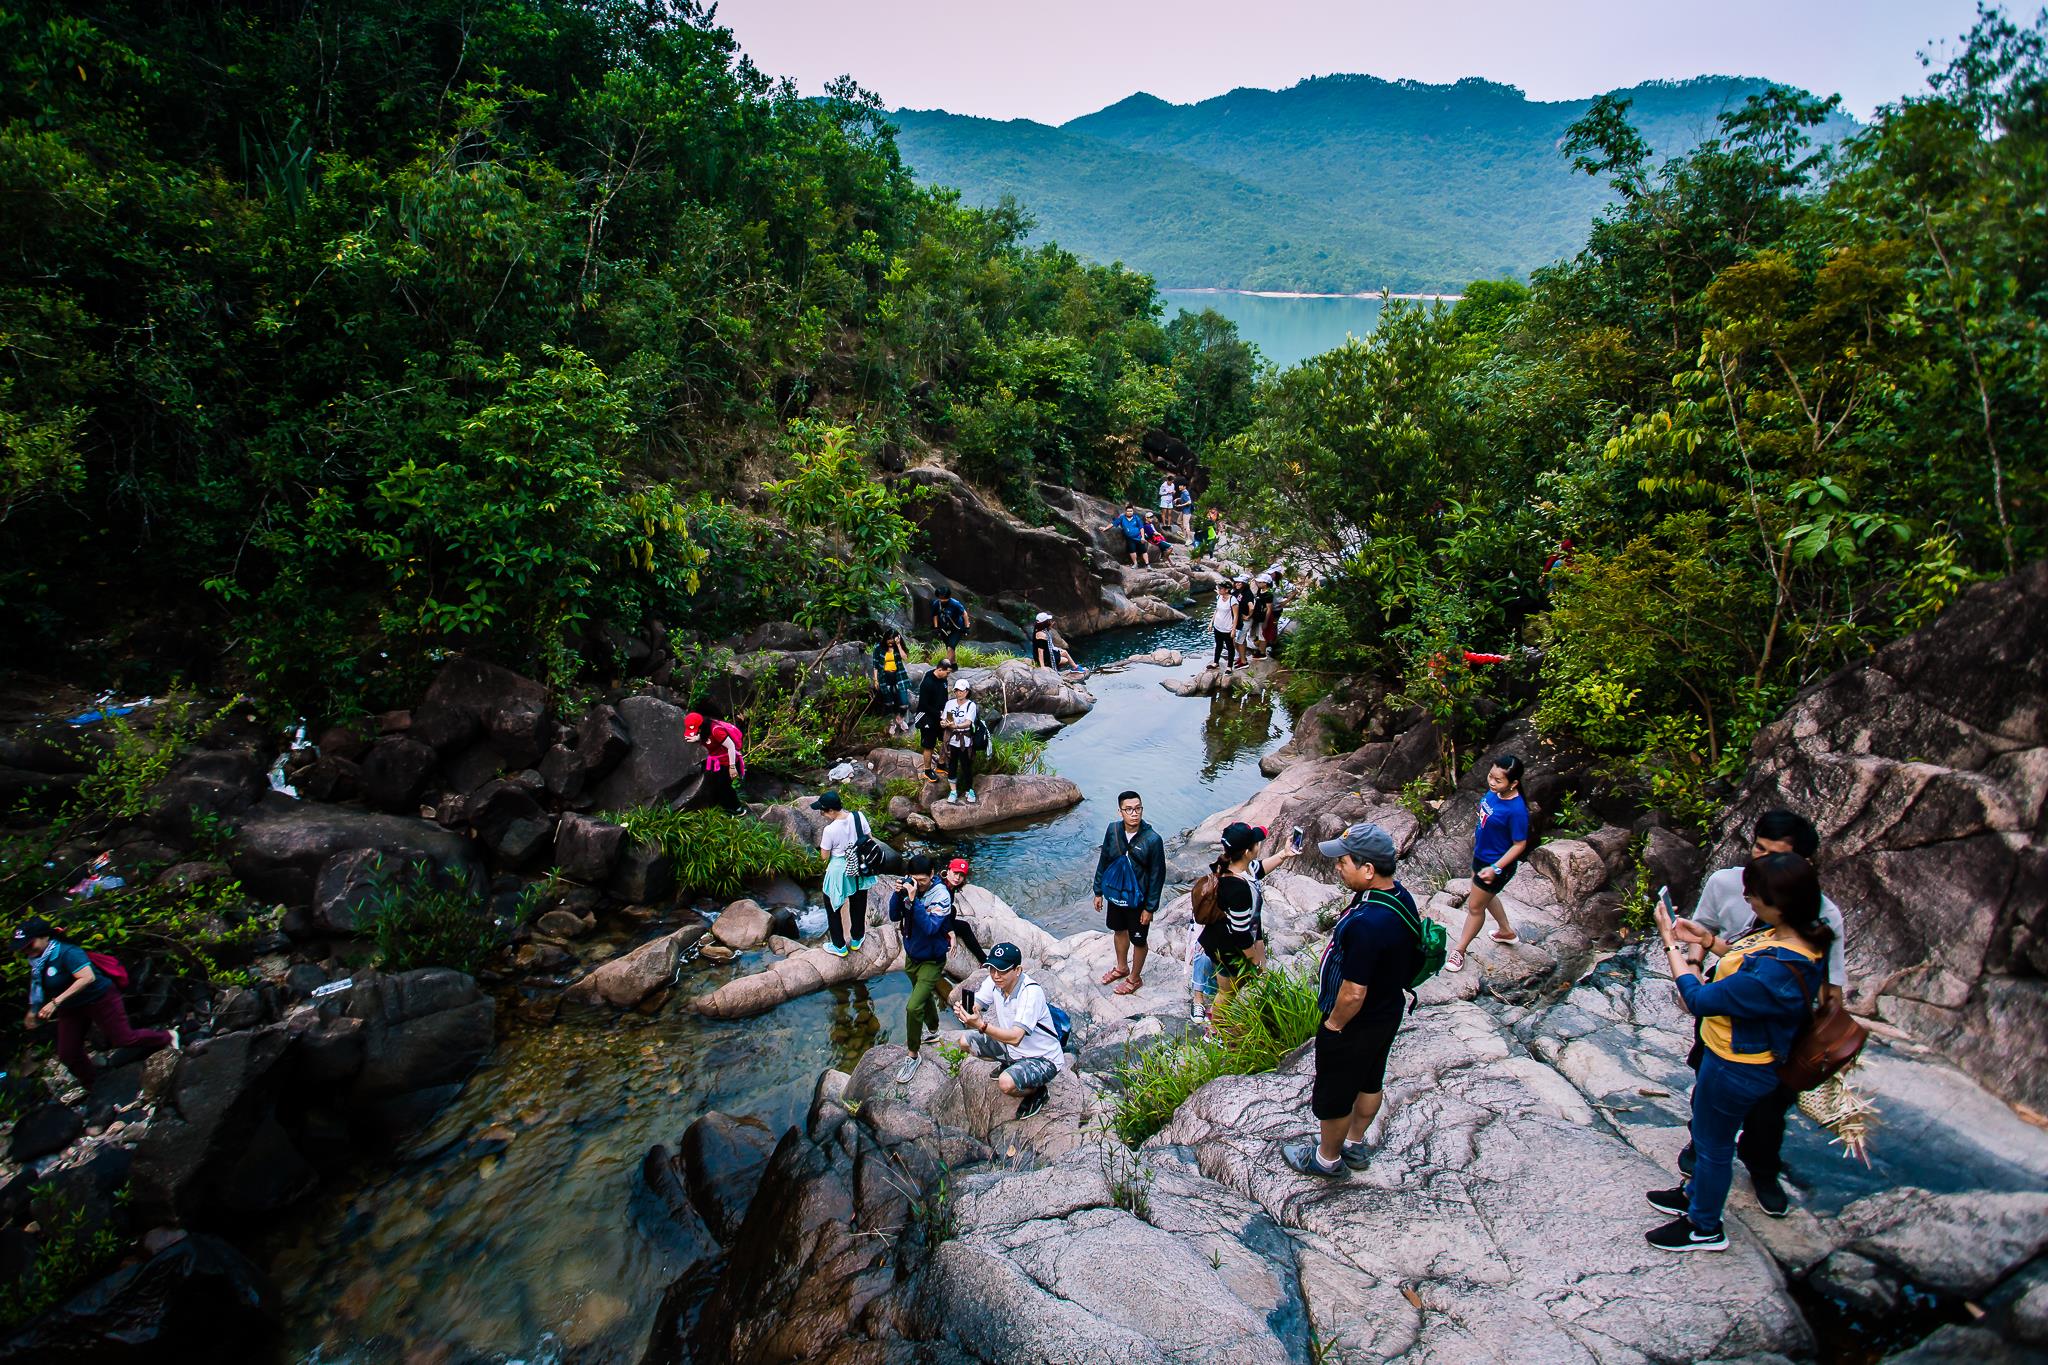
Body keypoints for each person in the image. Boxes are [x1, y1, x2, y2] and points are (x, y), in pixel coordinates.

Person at [1647, 853, 1831, 1251]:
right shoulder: (1783, 933)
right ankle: (1695, 1194)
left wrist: (1670, 944)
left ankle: (1704, 1226)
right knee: (1708, 1134)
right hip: (1723, 1052)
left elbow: (1698, 997)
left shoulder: (1777, 973)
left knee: (1713, 1146)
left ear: (1781, 903)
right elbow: (1738, 959)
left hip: (1738, 1066)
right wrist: (1706, 940)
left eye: (1755, 893)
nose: (1746, 897)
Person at [1672, 809, 1849, 1209]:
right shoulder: (1727, 883)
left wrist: (1822, 1040)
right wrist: (1698, 961)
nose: (1760, 862)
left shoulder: (1822, 915)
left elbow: (1828, 986)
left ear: (1801, 864)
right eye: (1758, 849)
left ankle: (1761, 1167)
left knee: (1768, 1112)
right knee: (1708, 1082)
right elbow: (1711, 933)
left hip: (1777, 1025)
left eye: (1774, 855)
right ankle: (1704, 1144)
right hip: (1729, 1001)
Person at [1284, 823, 1420, 1178]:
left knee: (1336, 1091)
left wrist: (1334, 1025)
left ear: (1368, 870)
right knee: (1370, 1080)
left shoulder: (1368, 923)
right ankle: (1355, 1145)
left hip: (1355, 1022)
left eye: (1343, 862)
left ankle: (1326, 1159)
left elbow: (1354, 991)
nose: (1337, 867)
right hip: (1386, 1010)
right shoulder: (1398, 897)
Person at [15, 917, 172, 1086]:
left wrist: (55, 1002)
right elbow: (37, 984)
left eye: (29, 945)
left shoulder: (67, 952)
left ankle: (167, 1037)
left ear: (45, 937)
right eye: (22, 949)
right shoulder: (38, 962)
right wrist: (33, 1010)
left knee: (124, 1039)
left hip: (100, 997)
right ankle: (93, 1083)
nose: (27, 951)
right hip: (72, 1007)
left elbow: (87, 978)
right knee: (68, 1053)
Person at [1199, 822, 1301, 1016]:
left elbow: (1259, 869)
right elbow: (1239, 933)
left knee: (1232, 987)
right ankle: (1212, 1032)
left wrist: (1284, 854)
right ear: (1247, 851)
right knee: (1226, 992)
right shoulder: (1236, 889)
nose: (1259, 844)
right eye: (1256, 842)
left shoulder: (1233, 866)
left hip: (1224, 940)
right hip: (1227, 949)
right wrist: (1255, 960)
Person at [952, 940, 1064, 1119]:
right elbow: (978, 1003)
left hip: (1042, 1057)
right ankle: (1012, 1063)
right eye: (992, 969)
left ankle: (1037, 1091)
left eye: (1003, 970)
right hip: (1012, 1049)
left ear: (1017, 970)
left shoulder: (1030, 993)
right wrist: (967, 1011)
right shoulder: (995, 982)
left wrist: (981, 1025)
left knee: (1006, 1084)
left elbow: (1015, 1037)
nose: (996, 975)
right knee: (965, 1042)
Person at [1446, 754, 1531, 971]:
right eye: (1491, 776)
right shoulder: (1495, 793)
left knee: (1475, 907)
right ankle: (1506, 932)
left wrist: (1496, 868)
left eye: (1498, 780)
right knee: (1484, 896)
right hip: (1481, 856)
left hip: (1496, 864)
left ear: (1514, 783)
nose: (1492, 782)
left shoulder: (1517, 810)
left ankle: (1459, 950)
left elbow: (1519, 845)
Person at [887, 853, 957, 1083]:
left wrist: (914, 899)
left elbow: (929, 927)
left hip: (932, 958)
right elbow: (894, 915)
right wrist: (899, 895)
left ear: (933, 875)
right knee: (923, 994)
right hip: (912, 955)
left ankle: (912, 1054)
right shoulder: (910, 887)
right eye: (913, 879)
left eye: (923, 880)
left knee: (913, 1006)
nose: (918, 883)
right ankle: (934, 1029)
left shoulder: (941, 895)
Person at [1093, 790, 1166, 996]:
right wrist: (1098, 891)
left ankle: (1134, 978)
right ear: (1120, 811)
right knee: (1118, 930)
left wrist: (1150, 907)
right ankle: (1121, 967)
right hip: (1117, 894)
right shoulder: (1113, 830)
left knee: (1139, 940)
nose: (1134, 813)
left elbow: (1157, 876)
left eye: (1138, 808)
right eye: (1129, 809)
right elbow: (1104, 860)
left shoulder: (1153, 840)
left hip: (1139, 899)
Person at [814, 791, 876, 957]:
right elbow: (869, 838)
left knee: (832, 905)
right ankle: (857, 939)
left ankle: (839, 946)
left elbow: (824, 856)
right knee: (859, 901)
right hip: (860, 864)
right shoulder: (859, 816)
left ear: (831, 811)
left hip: (839, 869)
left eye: (823, 811)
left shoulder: (830, 830)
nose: (822, 814)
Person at [683, 711, 746, 812]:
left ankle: (737, 809)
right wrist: (696, 738)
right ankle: (724, 805)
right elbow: (707, 736)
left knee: (724, 786)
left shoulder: (716, 730)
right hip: (718, 761)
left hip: (728, 762)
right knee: (717, 784)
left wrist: (732, 767)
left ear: (700, 725)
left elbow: (731, 747)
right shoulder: (705, 729)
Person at [939, 856, 990, 969]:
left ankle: (984, 960)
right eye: (955, 873)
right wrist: (950, 933)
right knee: (960, 922)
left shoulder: (948, 886)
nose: (957, 878)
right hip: (931, 925)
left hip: (938, 921)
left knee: (956, 916)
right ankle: (984, 960)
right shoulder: (941, 888)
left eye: (961, 875)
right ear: (948, 871)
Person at [940, 677, 979, 805]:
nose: (959, 693)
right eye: (957, 690)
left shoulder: (970, 705)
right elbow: (945, 719)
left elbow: (968, 722)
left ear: (967, 691)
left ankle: (969, 790)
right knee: (952, 764)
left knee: (966, 765)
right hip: (951, 739)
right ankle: (953, 791)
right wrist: (944, 723)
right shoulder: (950, 704)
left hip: (965, 740)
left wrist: (955, 726)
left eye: (962, 691)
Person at [915, 658, 953, 783]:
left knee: (947, 739)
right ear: (939, 669)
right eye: (947, 673)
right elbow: (924, 704)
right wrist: (939, 714)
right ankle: (927, 770)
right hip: (927, 716)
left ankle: (941, 765)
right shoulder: (927, 683)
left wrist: (948, 717)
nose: (948, 675)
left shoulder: (943, 680)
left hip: (941, 714)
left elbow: (945, 698)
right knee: (929, 745)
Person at [871, 630, 912, 735]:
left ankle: (900, 719)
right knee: (889, 703)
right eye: (889, 639)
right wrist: (875, 680)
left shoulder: (897, 647)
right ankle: (892, 723)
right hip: (884, 676)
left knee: (904, 703)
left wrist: (898, 645)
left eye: (893, 639)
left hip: (899, 676)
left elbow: (905, 658)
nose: (890, 641)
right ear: (885, 638)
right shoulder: (879, 649)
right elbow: (875, 665)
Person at [930, 584, 972, 668]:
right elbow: (935, 615)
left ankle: (946, 667)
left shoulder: (955, 603)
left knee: (950, 647)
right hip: (944, 629)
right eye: (940, 598)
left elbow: (964, 613)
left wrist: (967, 627)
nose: (942, 600)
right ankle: (954, 665)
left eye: (944, 598)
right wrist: (936, 627)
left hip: (957, 628)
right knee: (949, 648)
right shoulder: (936, 604)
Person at [1100, 503, 1148, 568]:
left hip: (1139, 537)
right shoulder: (1122, 518)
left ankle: (1147, 565)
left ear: (1133, 511)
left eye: (1131, 511)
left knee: (1144, 550)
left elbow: (1141, 527)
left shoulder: (1136, 518)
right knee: (1132, 550)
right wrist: (1105, 528)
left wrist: (1142, 537)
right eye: (1128, 511)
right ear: (1125, 511)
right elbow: (1113, 523)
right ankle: (1135, 564)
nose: (1129, 512)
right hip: (1130, 539)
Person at [1210, 581, 1240, 673]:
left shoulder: (1232, 600)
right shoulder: (1219, 597)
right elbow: (1217, 610)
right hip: (1218, 626)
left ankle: (1229, 666)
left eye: (1221, 588)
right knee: (1218, 645)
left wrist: (1233, 629)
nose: (1219, 590)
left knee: (1230, 647)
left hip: (1227, 627)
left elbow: (1236, 616)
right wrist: (1211, 622)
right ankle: (1216, 662)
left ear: (1227, 590)